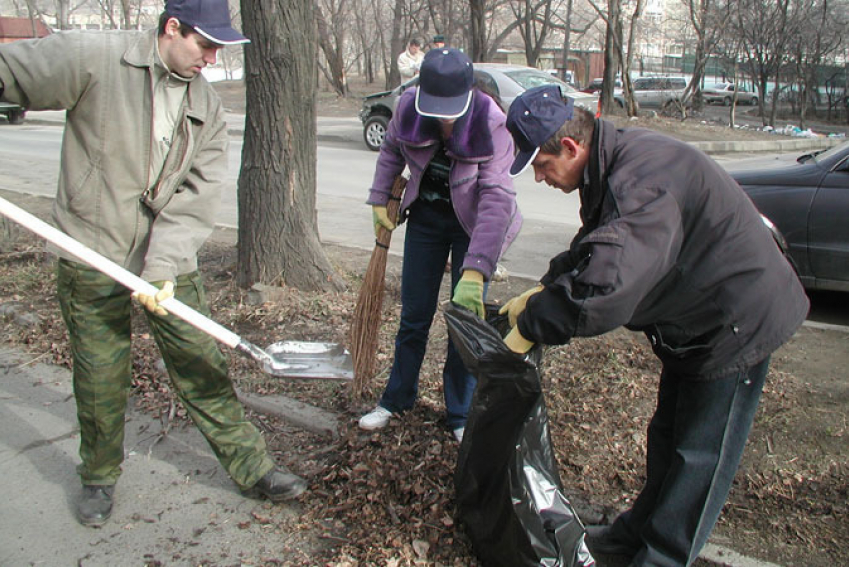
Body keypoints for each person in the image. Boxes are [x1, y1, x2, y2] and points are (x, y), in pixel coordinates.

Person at [0, 0, 307, 527]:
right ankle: (98, 478)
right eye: (205, 45)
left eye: (218, 48)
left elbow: (199, 194)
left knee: (201, 363)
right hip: (90, 250)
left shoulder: (207, 107)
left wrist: (162, 267)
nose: (211, 58)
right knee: (100, 375)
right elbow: (13, 73)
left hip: (167, 262)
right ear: (171, 28)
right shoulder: (96, 57)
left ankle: (253, 467)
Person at [500, 85, 808, 567]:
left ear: (570, 147)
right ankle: (631, 538)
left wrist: (539, 320)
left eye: (540, 166)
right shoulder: (614, 161)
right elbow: (597, 244)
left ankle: (660, 557)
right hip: (696, 318)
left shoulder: (639, 181)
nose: (540, 179)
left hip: (737, 319)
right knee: (668, 439)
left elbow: (604, 292)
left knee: (698, 462)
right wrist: (548, 286)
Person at [359, 48, 522, 443]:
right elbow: (391, 151)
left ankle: (460, 414)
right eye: (438, 108)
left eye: (452, 109)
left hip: (474, 226)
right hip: (427, 221)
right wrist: (380, 198)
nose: (444, 118)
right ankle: (396, 399)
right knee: (414, 316)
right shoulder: (408, 108)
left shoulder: (492, 122)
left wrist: (476, 268)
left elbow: (497, 199)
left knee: (463, 321)